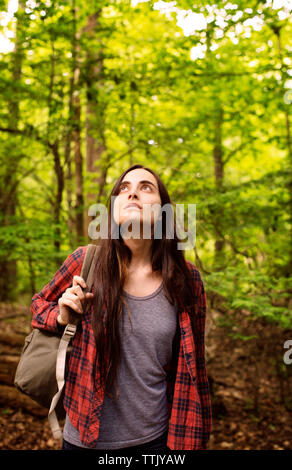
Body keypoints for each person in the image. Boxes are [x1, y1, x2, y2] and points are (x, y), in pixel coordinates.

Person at [31, 164, 212, 451]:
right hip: (84, 439)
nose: (132, 194)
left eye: (145, 187)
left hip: (157, 440)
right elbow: (38, 306)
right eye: (123, 189)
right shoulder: (85, 262)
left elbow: (193, 369)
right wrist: (61, 315)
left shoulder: (187, 280)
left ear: (164, 210)